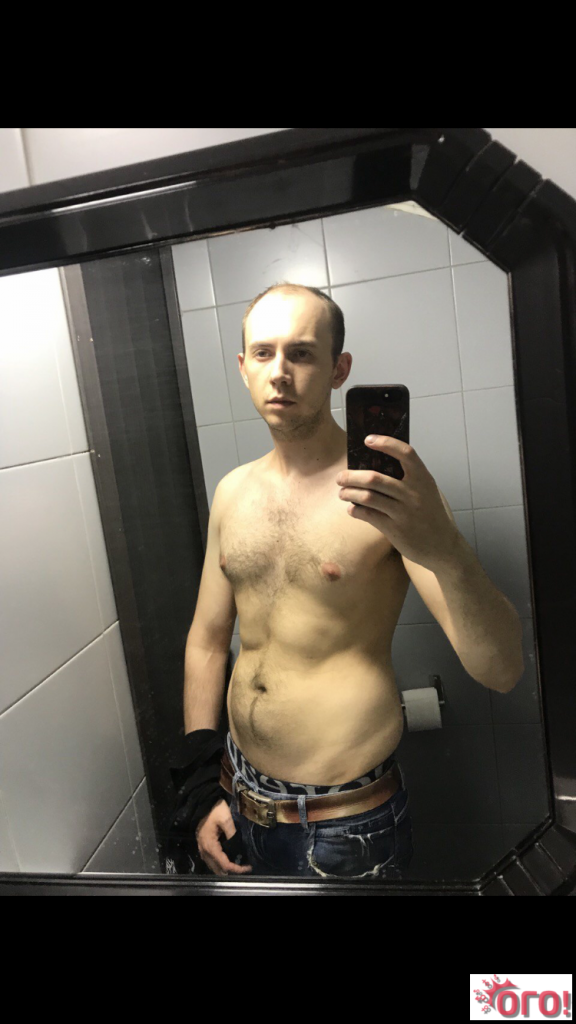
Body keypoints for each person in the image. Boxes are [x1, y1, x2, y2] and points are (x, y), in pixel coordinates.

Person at [178, 282, 524, 879]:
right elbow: (207, 644)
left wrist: (445, 546)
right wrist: (200, 785)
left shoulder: (387, 495)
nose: (279, 372)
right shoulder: (231, 493)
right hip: (236, 795)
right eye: (263, 353)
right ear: (242, 368)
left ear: (339, 370)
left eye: (301, 353)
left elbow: (501, 669)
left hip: (344, 826)